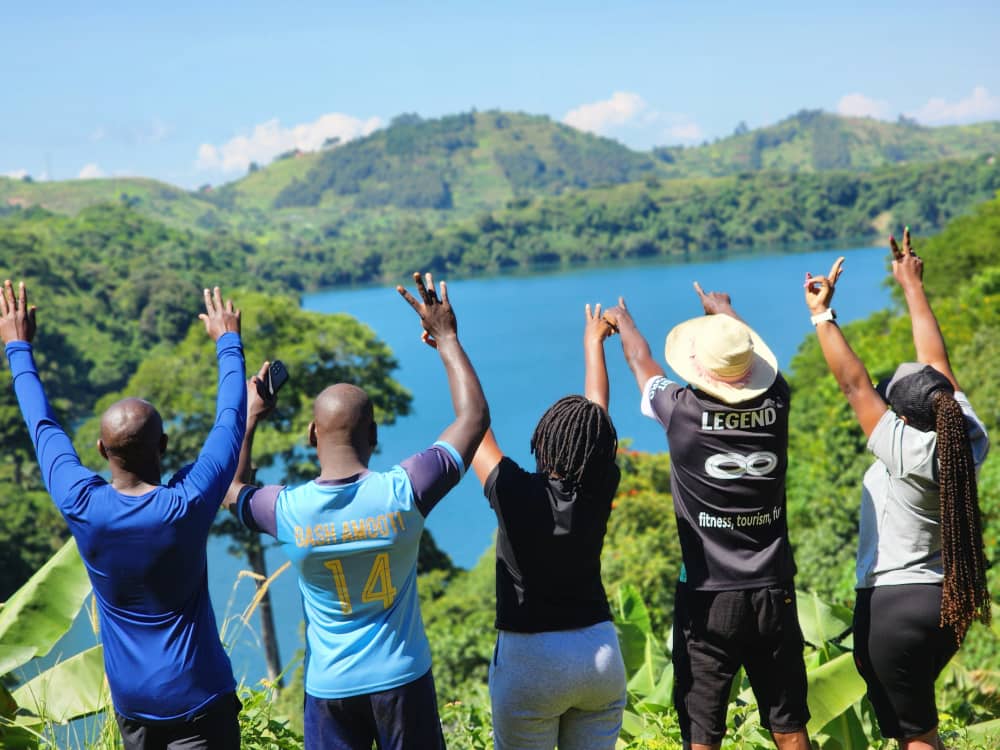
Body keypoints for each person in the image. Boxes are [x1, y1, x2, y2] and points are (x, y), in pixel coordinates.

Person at [224, 272, 489, 750]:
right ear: (374, 435)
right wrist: (447, 337)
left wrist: (249, 416)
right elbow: (473, 420)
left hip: (330, 689)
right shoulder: (404, 492)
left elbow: (232, 490)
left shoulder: (291, 511)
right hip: (403, 679)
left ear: (312, 435)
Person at [1, 281, 246, 749]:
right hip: (201, 705)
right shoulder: (187, 504)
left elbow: (43, 426)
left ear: (101, 449)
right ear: (163, 446)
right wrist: (228, 341)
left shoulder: (82, 504)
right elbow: (230, 422)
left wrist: (18, 346)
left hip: (134, 714)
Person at [803, 229, 991, 750]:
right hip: (947, 603)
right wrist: (912, 284)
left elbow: (853, 384)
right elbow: (939, 365)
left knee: (917, 739)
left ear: (903, 419)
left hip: (894, 607)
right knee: (917, 730)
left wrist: (821, 315)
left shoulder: (905, 451)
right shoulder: (965, 437)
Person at [604, 287, 810, 750]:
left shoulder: (681, 410)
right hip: (773, 589)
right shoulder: (777, 401)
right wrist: (725, 312)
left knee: (702, 732)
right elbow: (760, 360)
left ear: (699, 369)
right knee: (789, 722)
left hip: (707, 595)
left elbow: (641, 362)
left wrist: (624, 320)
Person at [469, 303, 627, 750]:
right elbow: (597, 418)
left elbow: (474, 421)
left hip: (530, 662)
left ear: (543, 442)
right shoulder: (599, 488)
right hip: (599, 655)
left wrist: (448, 344)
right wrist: (593, 344)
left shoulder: (515, 492)